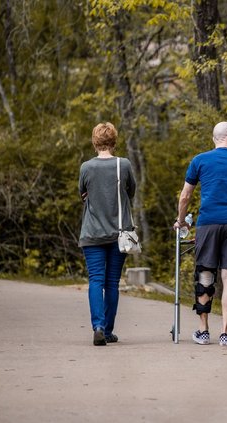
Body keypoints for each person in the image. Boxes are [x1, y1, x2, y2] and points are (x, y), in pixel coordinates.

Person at [173, 121, 227, 346]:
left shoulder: (199, 160)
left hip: (208, 223)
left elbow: (185, 196)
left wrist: (181, 221)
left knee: (206, 274)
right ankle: (226, 333)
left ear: (213, 139)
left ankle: (203, 331)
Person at [79, 122, 136, 346]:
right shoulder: (124, 165)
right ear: (114, 141)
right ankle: (109, 330)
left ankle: (98, 327)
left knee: (95, 280)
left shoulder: (86, 167)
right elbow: (131, 191)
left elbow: (82, 193)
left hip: (92, 233)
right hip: (118, 233)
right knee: (112, 282)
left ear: (95, 141)